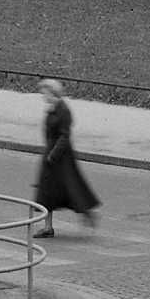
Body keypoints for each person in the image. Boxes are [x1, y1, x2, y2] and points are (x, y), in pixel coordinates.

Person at [32, 77, 99, 235]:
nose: (43, 97)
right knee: (46, 191)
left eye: (45, 93)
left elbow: (64, 136)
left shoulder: (63, 110)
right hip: (51, 153)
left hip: (60, 157)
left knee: (70, 187)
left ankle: (86, 212)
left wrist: (53, 155)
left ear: (52, 93)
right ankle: (48, 227)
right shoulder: (52, 108)